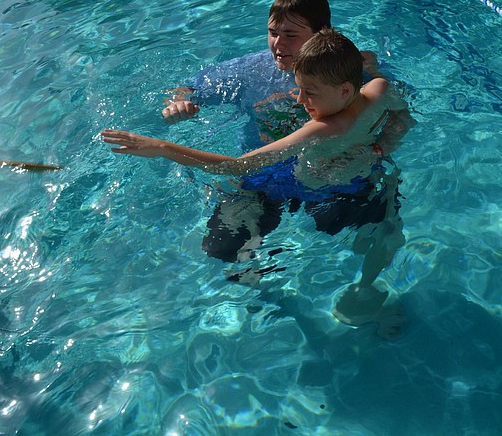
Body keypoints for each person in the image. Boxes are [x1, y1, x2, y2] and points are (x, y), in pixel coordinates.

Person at [103, 28, 411, 326]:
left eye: (309, 92)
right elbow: (402, 113)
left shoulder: (323, 129)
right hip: (317, 177)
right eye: (299, 88)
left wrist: (160, 147)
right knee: (386, 232)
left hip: (318, 182)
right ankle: (360, 287)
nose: (301, 101)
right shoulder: (377, 89)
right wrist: (384, 144)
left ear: (344, 90)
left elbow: (236, 166)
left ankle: (341, 291)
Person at [161, 0, 383, 149]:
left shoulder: (351, 66)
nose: (277, 44)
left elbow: (393, 107)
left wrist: (383, 146)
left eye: (290, 35)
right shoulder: (250, 69)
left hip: (331, 165)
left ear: (322, 31)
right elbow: (186, 88)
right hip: (261, 168)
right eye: (273, 33)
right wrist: (177, 104)